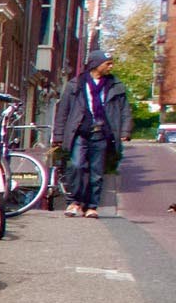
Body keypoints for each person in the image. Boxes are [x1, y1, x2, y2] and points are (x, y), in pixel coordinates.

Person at [54, 50, 130, 216]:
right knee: (76, 166)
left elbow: (125, 110)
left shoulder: (116, 86)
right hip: (80, 132)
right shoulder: (76, 84)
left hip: (102, 133)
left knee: (97, 172)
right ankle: (74, 202)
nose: (111, 66)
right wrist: (59, 135)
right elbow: (63, 111)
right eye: (107, 63)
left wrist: (125, 130)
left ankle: (91, 207)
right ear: (96, 64)